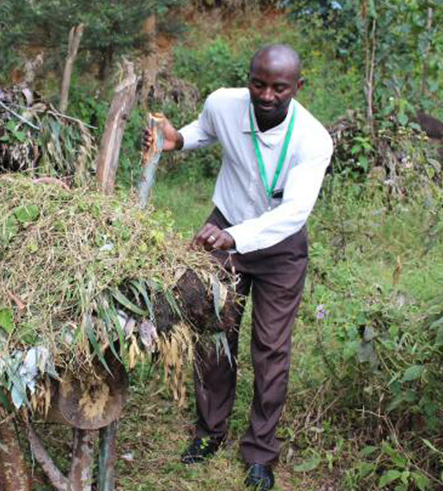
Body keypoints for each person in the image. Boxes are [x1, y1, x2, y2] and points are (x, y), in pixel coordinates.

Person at [143, 44, 333, 490]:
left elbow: (294, 213)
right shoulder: (223, 103)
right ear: (248, 78)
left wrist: (237, 238)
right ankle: (210, 432)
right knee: (212, 333)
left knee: (270, 349)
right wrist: (178, 139)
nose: (266, 95)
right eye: (259, 83)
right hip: (223, 226)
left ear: (297, 88)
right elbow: (205, 129)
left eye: (279, 88)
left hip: (280, 247)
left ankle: (261, 453)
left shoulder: (312, 139)